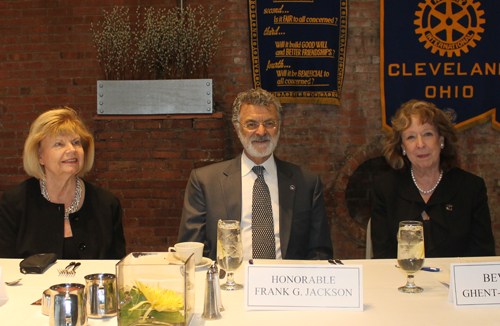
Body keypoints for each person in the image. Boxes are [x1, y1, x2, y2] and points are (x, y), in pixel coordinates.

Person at [178, 88, 333, 261]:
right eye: (251, 124)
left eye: (269, 123)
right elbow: (191, 253)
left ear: (279, 127)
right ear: (237, 128)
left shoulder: (307, 183)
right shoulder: (205, 182)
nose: (261, 132)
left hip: (287, 285)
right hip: (228, 283)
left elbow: (319, 253)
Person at [371, 99, 495, 258]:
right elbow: (383, 256)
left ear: (441, 140)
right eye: (411, 137)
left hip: (457, 282)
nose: (420, 144)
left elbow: (482, 255)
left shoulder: (471, 188)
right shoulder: (385, 188)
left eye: (427, 134)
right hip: (402, 281)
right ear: (402, 147)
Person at [0, 107, 126, 259]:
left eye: (76, 142)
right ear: (40, 156)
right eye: (59, 144)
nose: (71, 149)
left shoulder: (107, 204)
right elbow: (5, 270)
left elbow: (116, 269)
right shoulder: (13, 202)